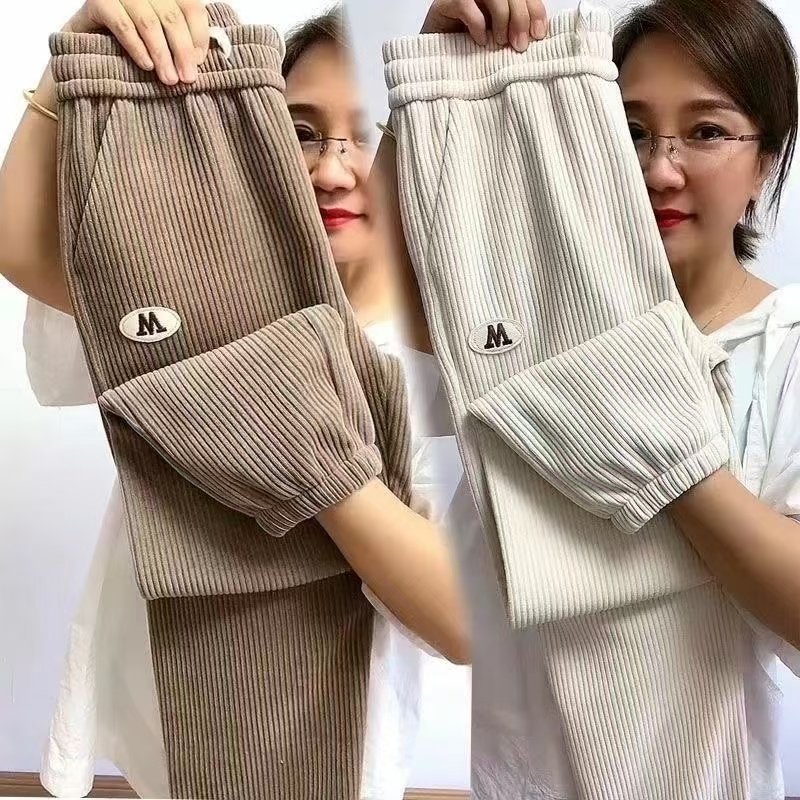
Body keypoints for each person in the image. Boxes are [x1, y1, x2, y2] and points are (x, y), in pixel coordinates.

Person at [0, 2, 469, 797]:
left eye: (368, 133)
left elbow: (460, 621)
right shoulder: (195, 287)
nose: (332, 170)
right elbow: (23, 248)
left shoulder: (445, 361)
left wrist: (296, 445)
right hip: (162, 711)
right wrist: (72, 53)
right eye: (301, 131)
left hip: (332, 753)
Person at [373, 0, 800, 797]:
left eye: (707, 131)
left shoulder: (787, 344)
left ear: (766, 162)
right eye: (628, 129)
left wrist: (647, 437)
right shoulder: (512, 319)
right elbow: (386, 298)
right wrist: (429, 91)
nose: (659, 168)